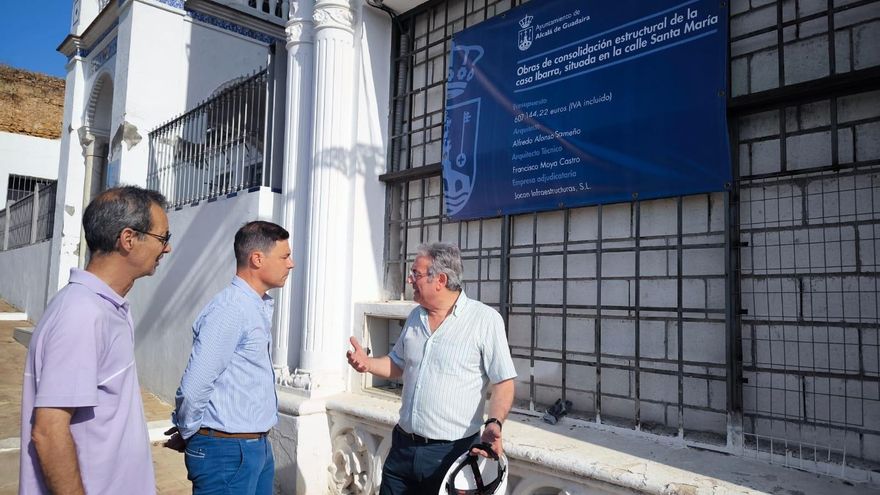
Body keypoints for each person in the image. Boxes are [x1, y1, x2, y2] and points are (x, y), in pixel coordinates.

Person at [19, 186, 172, 495]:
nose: (166, 249)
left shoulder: (104, 307)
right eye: (162, 238)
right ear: (128, 239)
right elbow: (49, 432)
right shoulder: (82, 314)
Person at [347, 242, 517, 494]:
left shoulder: (484, 320)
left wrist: (495, 422)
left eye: (416, 273)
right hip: (403, 448)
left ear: (440, 279)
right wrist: (368, 364)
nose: (409, 279)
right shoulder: (416, 316)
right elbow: (398, 364)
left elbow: (503, 381)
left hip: (452, 455)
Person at [165, 220, 293, 494]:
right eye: (284, 256)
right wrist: (191, 432)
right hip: (227, 454)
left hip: (253, 447)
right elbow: (194, 387)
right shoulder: (231, 310)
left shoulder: (253, 306)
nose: (290, 264)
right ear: (257, 259)